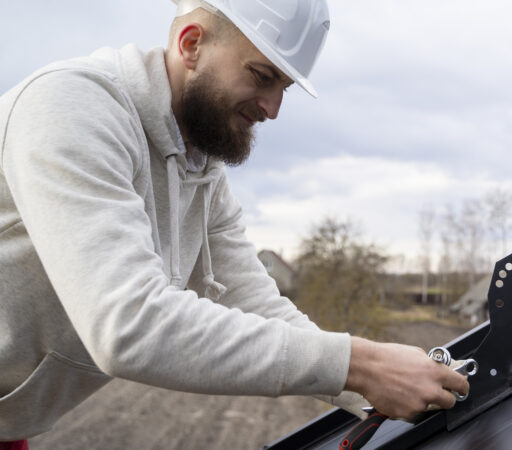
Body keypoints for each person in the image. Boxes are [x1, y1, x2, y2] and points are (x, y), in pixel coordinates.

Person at [0, 0, 468, 445]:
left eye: (283, 87)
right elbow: (128, 324)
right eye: (262, 77)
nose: (273, 109)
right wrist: (360, 366)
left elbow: (255, 302)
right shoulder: (71, 107)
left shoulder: (201, 169)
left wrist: (379, 385)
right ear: (190, 44)